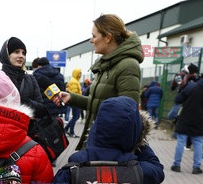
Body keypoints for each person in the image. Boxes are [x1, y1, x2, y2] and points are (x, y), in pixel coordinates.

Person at [53, 14, 144, 150]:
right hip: (96, 141)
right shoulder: (107, 64)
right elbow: (99, 103)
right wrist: (72, 98)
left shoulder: (127, 65)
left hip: (107, 147)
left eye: (94, 36)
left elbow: (127, 115)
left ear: (108, 37)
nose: (91, 40)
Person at [170, 68, 203, 175]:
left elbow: (178, 99)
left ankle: (176, 165)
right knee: (198, 142)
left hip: (186, 117)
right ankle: (196, 167)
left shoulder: (192, 86)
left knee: (181, 140)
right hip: (201, 119)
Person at [0, 36, 47, 119]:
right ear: (7, 55)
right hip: (1, 130)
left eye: (23, 53)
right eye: (16, 52)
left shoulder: (30, 79)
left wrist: (25, 101)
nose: (21, 56)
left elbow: (42, 110)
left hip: (27, 130)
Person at [63, 68, 83, 138]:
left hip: (76, 101)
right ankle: (71, 132)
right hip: (76, 101)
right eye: (79, 73)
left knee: (76, 116)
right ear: (76, 73)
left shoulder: (75, 81)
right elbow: (74, 93)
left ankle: (65, 129)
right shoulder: (74, 81)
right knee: (75, 116)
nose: (81, 74)